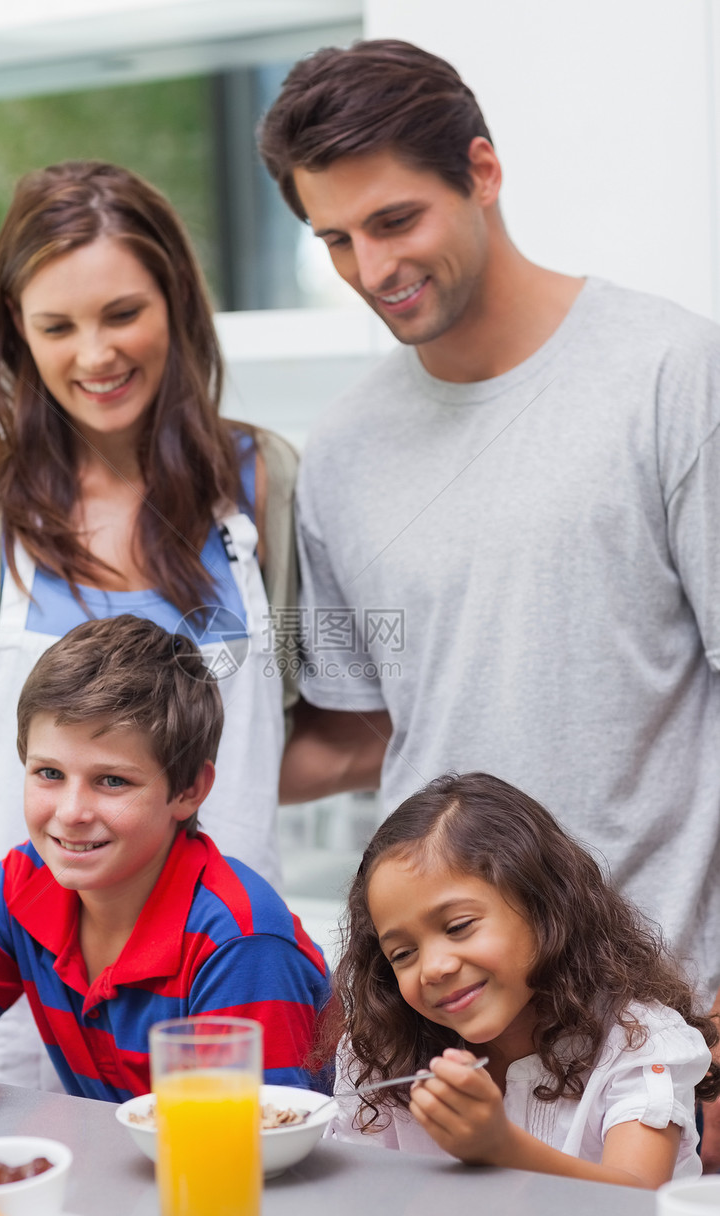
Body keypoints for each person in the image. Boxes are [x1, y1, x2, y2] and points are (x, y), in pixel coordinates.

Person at [258, 43, 720, 1012]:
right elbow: (351, 724)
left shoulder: (672, 371)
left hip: (661, 1012)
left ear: (480, 171)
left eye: (393, 221)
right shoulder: (337, 448)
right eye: (335, 239)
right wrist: (137, 762)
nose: (371, 269)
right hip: (441, 1021)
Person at [0, 161, 297, 1085]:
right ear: (16, 334)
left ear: (177, 302)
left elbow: (312, 718)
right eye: (57, 325)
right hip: (16, 1001)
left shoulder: (268, 485)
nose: (94, 354)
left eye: (122, 313)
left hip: (218, 983)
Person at [0, 616, 330, 1100]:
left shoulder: (241, 945)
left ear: (189, 790)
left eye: (112, 781)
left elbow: (250, 1150)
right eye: (48, 772)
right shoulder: (26, 883)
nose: (71, 813)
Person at [325, 772, 718, 1187]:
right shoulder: (383, 1051)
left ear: (543, 906)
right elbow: (358, 1197)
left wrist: (500, 1147)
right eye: (403, 954)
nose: (434, 967)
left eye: (458, 926)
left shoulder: (639, 1041)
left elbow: (636, 1195)